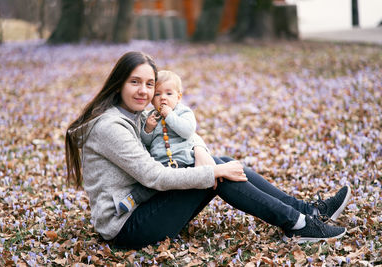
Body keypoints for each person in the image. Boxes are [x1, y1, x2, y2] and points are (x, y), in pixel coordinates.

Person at [65, 51, 351, 249]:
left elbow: (182, 135)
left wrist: (202, 153)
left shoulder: (137, 114)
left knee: (219, 163)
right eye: (135, 82)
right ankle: (299, 223)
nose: (143, 91)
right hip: (128, 225)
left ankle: (307, 212)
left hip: (146, 203)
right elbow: (155, 177)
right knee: (218, 172)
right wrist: (210, 170)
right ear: (119, 84)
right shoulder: (110, 127)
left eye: (149, 84)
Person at [118, 70, 202, 214]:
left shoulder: (183, 112)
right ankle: (134, 199)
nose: (163, 98)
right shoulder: (152, 116)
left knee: (165, 184)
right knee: (150, 183)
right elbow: (147, 143)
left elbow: (187, 131)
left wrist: (169, 115)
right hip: (159, 163)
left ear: (178, 97)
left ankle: (137, 199)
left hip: (181, 160)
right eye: (157, 94)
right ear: (151, 100)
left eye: (169, 94)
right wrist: (148, 129)